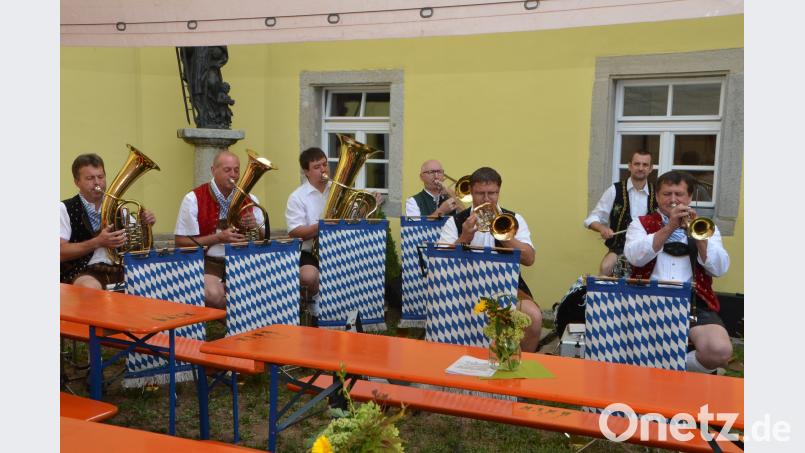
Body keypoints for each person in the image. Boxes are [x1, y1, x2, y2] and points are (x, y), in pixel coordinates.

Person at [624, 170, 731, 373]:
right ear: (656, 197)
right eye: (666, 194)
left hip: (692, 300)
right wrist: (669, 228)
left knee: (719, 351)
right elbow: (635, 257)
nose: (673, 200)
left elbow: (719, 269)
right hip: (646, 297)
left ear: (689, 197)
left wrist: (701, 240)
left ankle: (670, 369)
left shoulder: (707, 228)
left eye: (679, 194)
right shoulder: (640, 224)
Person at [438, 167, 543, 352]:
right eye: (480, 193)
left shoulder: (513, 219)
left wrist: (505, 235)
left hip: (506, 286)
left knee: (533, 317)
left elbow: (529, 259)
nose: (487, 199)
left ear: (498, 192)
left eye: (492, 193)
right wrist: (463, 239)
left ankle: (522, 365)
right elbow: (440, 263)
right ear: (471, 193)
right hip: (465, 285)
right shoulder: (455, 222)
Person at [174, 150, 265, 309]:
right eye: (227, 170)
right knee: (213, 295)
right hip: (208, 263)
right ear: (213, 170)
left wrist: (254, 227)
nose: (234, 175)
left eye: (237, 170)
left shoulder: (251, 199)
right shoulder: (193, 198)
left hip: (243, 262)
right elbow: (181, 242)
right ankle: (241, 322)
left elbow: (263, 239)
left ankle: (242, 323)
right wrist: (218, 238)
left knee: (268, 288)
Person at [60, 153, 157, 288]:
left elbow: (138, 247)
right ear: (77, 182)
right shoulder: (64, 209)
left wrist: (144, 225)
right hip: (83, 271)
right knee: (90, 288)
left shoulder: (120, 209)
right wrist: (97, 242)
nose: (97, 182)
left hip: (121, 268)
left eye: (100, 177)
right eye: (90, 178)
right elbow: (60, 252)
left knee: (155, 281)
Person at [584, 149, 655, 276]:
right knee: (606, 268)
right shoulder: (614, 190)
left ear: (651, 168)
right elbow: (591, 219)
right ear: (629, 166)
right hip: (620, 247)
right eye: (637, 164)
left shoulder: (658, 192)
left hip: (650, 247)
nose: (640, 168)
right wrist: (602, 228)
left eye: (645, 165)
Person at [285, 147, 330, 320]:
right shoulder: (297, 197)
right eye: (317, 167)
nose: (323, 170)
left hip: (337, 247)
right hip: (309, 251)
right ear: (306, 172)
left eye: (325, 164)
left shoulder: (337, 190)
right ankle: (314, 300)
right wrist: (323, 226)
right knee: (309, 276)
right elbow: (295, 232)